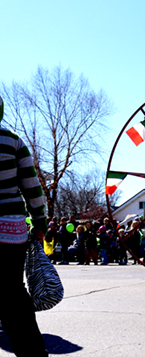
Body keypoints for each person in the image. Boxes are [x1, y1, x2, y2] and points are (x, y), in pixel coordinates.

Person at [0, 95, 49, 356]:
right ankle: (33, 352)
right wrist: (40, 220)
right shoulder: (13, 141)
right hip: (10, 231)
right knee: (13, 294)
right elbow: (32, 186)